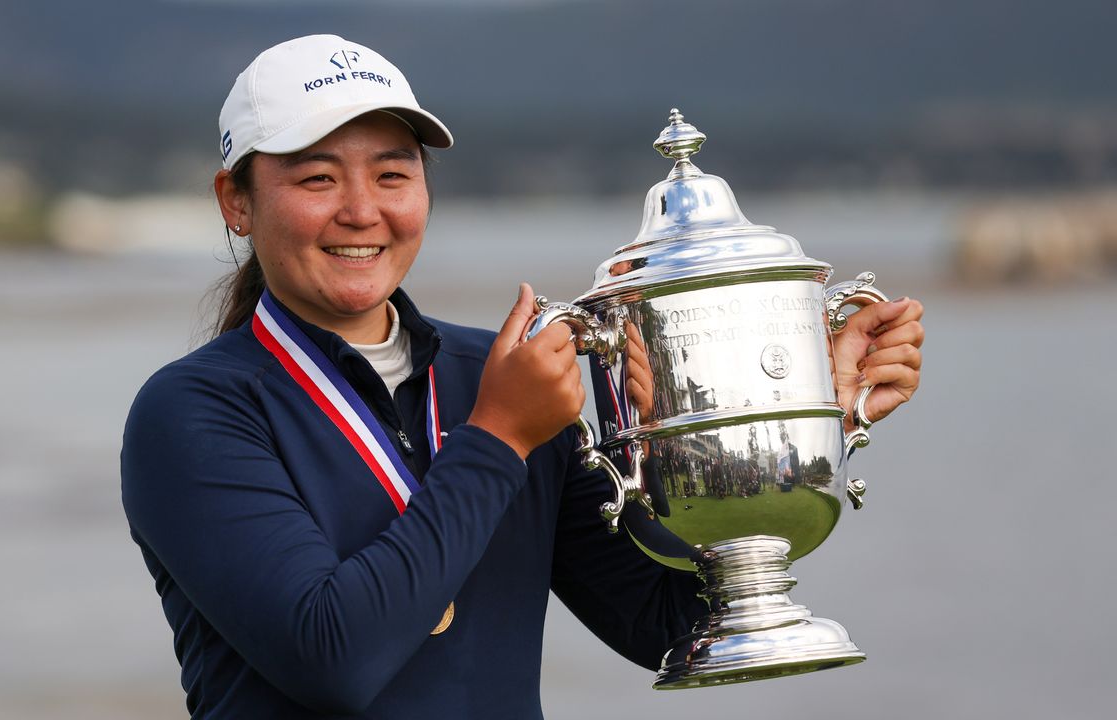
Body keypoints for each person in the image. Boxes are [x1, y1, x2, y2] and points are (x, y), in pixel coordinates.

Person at [120, 34, 925, 719]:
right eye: (317, 177)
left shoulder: (493, 373)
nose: (363, 210)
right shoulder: (195, 412)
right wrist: (499, 437)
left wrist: (799, 422)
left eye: (393, 174)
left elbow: (673, 620)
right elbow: (333, 657)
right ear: (236, 201)